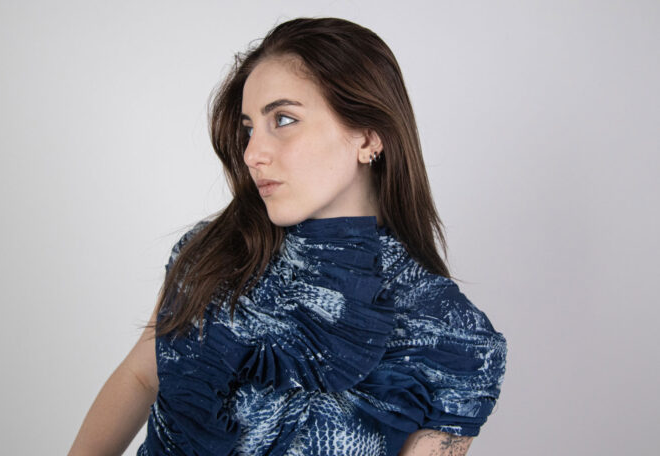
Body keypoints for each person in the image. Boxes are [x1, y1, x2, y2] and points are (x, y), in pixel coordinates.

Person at [69, 16, 507, 456]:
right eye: (249, 128)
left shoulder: (457, 340)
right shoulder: (211, 253)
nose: (252, 153)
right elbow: (141, 377)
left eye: (283, 119)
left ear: (368, 138)